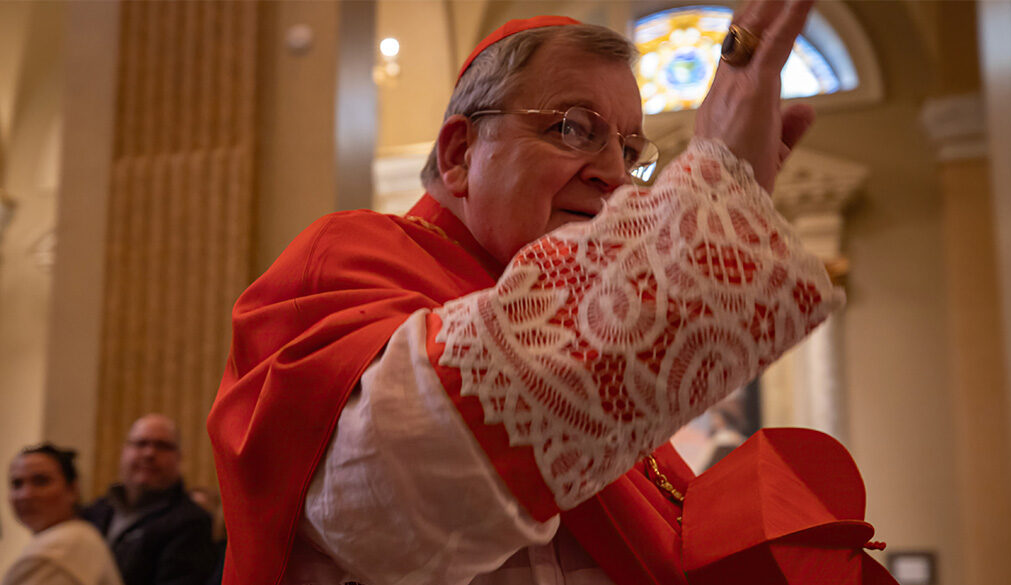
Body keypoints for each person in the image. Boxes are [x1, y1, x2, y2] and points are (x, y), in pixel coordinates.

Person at [210, 2, 894, 584]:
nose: (613, 175)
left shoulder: (575, 315)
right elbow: (383, 499)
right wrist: (707, 208)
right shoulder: (350, 257)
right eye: (572, 127)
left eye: (630, 151)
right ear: (458, 154)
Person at [81, 415, 215, 585]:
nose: (149, 453)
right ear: (124, 451)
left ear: (179, 458)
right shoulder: (96, 511)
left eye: (162, 446)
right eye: (140, 443)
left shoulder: (192, 523)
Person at [4, 444, 122, 585]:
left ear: (72, 489)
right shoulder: (80, 536)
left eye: (41, 481)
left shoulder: (58, 550)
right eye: (17, 484)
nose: (26, 494)